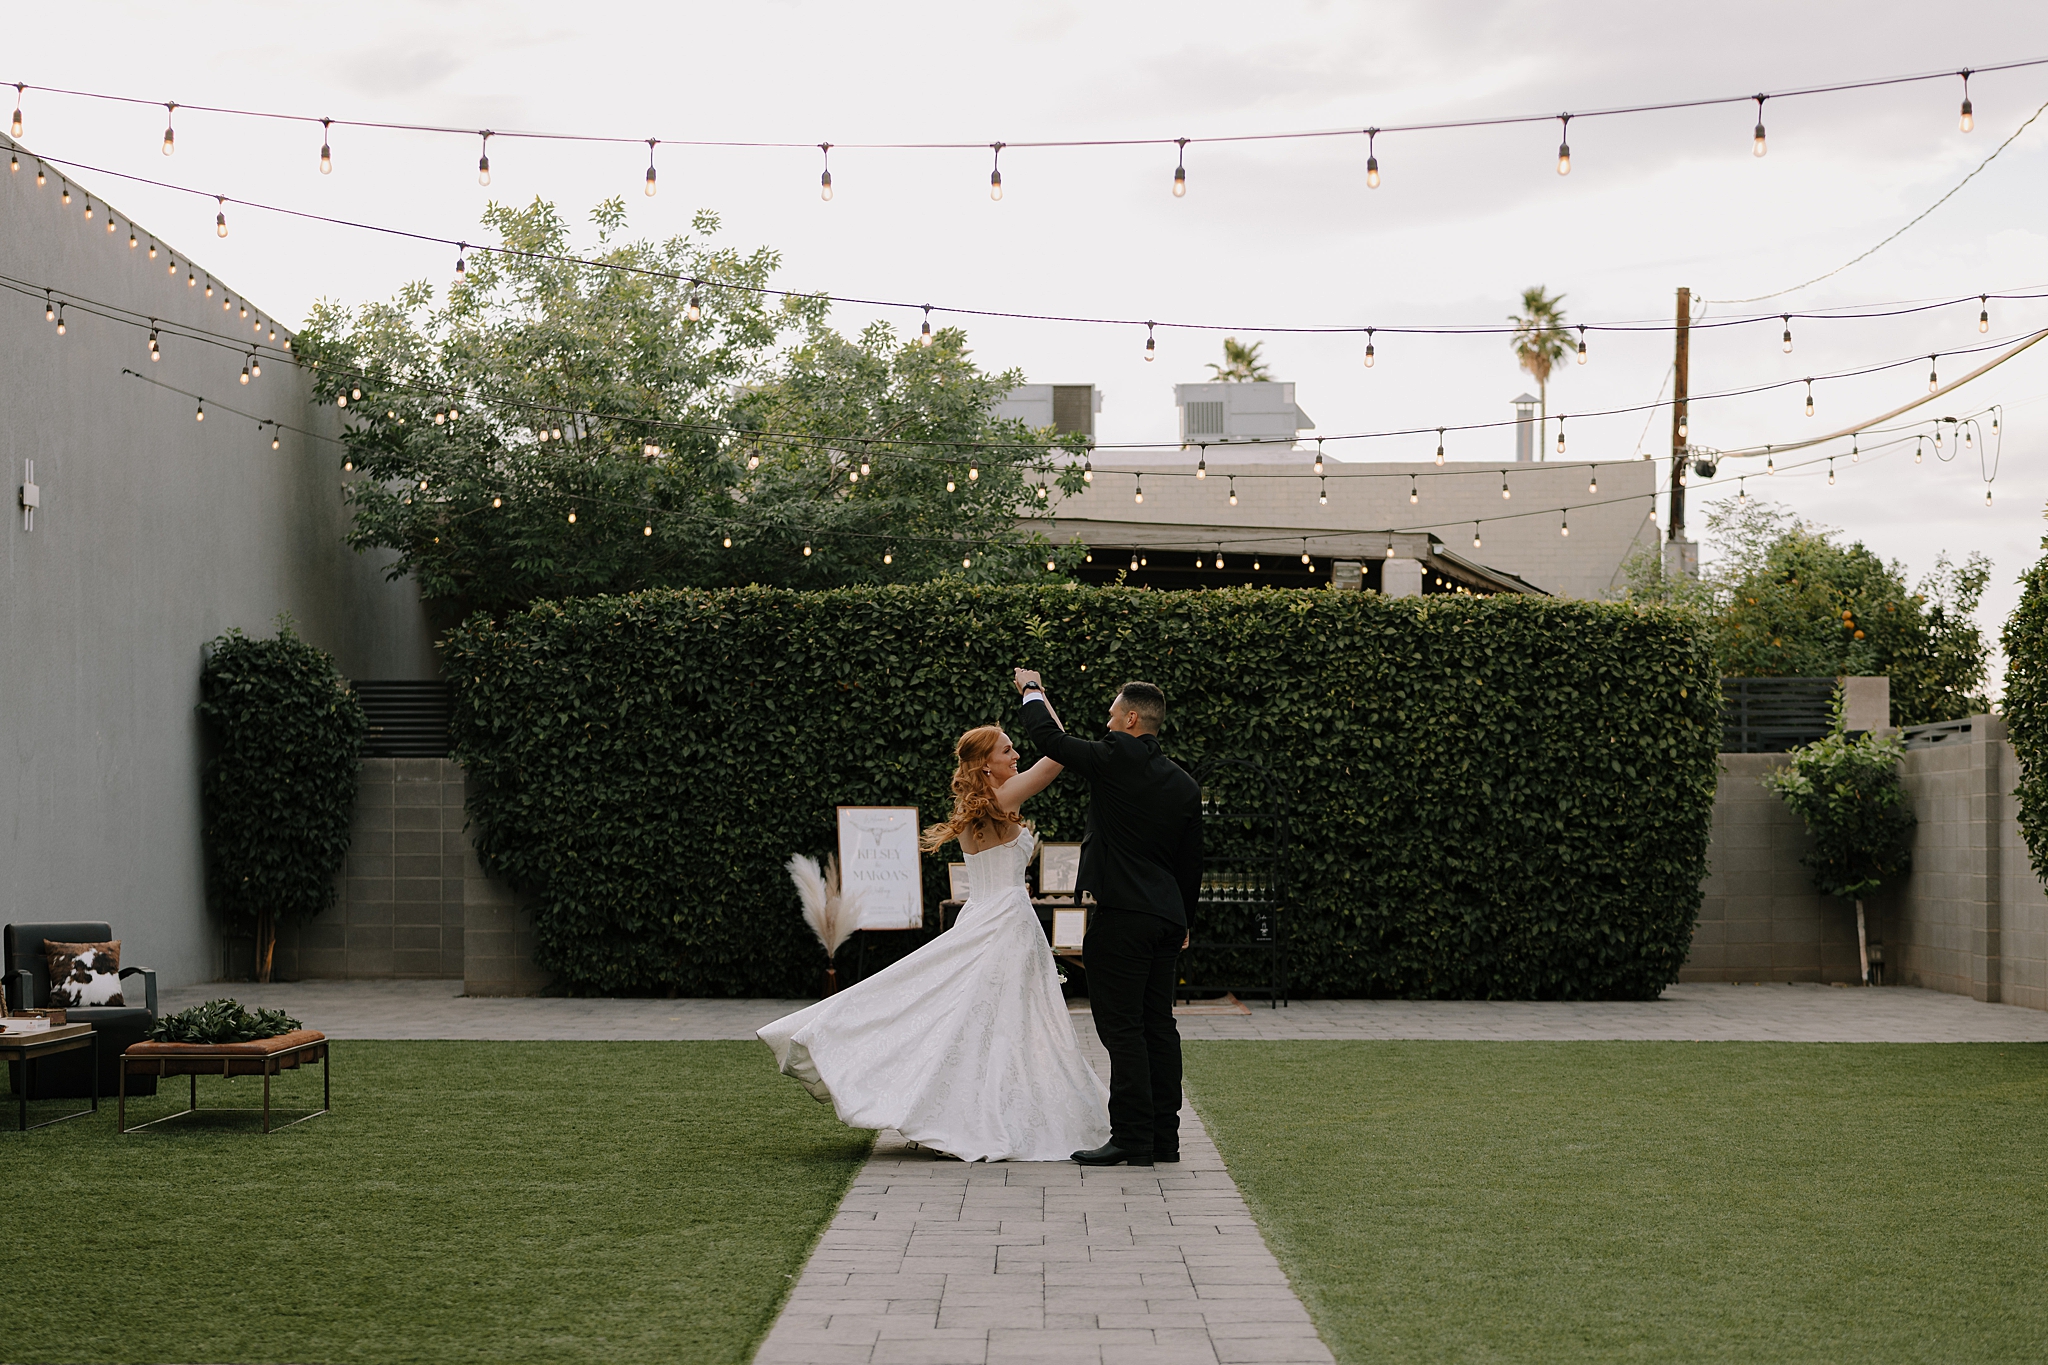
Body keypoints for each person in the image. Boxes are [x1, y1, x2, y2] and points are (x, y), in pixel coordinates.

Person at [756, 724, 1110, 1162]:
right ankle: (978, 1113)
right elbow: (1057, 755)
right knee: (999, 1025)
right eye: (1007, 749)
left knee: (985, 1023)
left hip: (990, 919)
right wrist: (1035, 694)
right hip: (1003, 925)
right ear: (984, 763)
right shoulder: (999, 802)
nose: (1016, 754)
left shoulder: (984, 807)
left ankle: (971, 1107)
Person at [1014, 671, 1202, 1168]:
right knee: (1159, 1025)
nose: (1107, 720)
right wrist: (1184, 923)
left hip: (1120, 917)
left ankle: (1132, 1138)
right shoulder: (1184, 783)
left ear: (1133, 719)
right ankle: (1165, 1137)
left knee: (1123, 1030)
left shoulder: (1114, 758)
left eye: (1114, 713)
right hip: (1165, 918)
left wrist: (1031, 689)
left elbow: (1049, 740)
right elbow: (1190, 863)